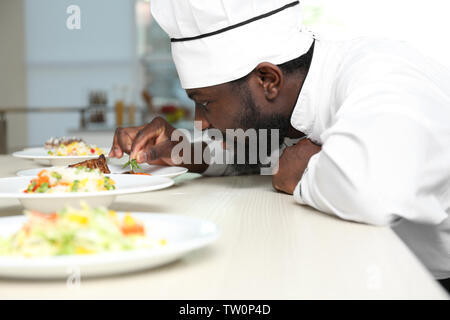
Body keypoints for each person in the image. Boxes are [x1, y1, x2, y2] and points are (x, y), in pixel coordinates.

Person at [109, 0, 450, 292]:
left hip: (428, 280)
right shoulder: (291, 99)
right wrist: (183, 149)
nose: (201, 121)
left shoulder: (380, 74)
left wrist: (300, 170)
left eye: (206, 103)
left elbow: (371, 192)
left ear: (268, 81)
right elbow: (260, 150)